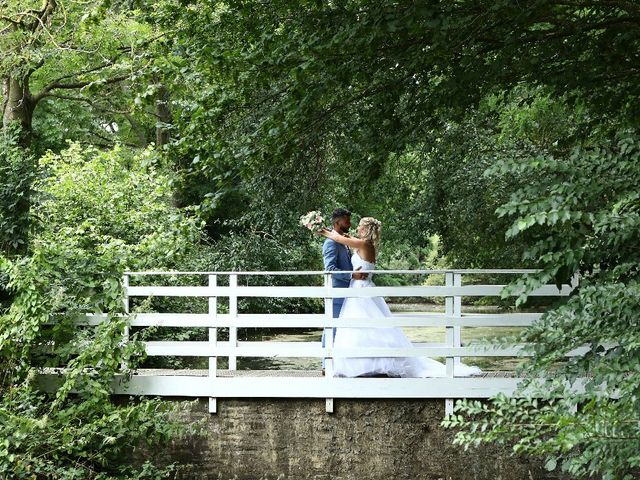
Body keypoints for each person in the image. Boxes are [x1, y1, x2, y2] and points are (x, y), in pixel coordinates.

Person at [319, 216, 481, 378]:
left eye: (360, 227)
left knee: (367, 327)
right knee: (360, 328)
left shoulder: (364, 244)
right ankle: (361, 365)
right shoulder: (363, 244)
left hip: (361, 290)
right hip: (357, 290)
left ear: (367, 230)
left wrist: (318, 228)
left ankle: (372, 364)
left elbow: (338, 238)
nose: (357, 229)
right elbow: (344, 239)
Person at [320, 208, 366, 369]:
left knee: (342, 329)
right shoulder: (331, 243)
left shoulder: (341, 240)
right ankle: (326, 365)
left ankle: (338, 364)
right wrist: (352, 276)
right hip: (336, 292)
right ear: (337, 222)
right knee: (331, 327)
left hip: (347, 292)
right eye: (347, 221)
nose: (349, 224)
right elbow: (330, 269)